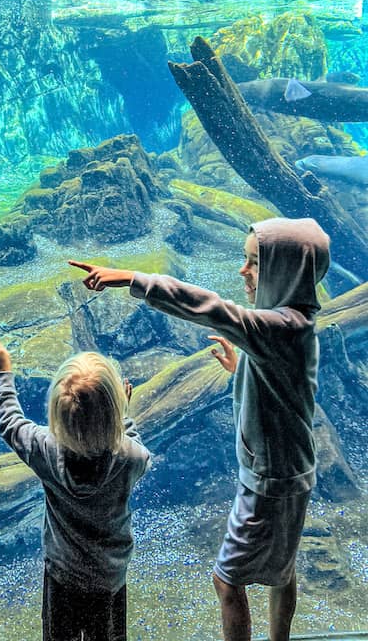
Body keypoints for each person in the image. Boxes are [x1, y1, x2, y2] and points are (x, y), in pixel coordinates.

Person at [70, 216, 330, 641]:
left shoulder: (276, 328)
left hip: (268, 481)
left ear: (287, 270)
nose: (242, 272)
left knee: (227, 581)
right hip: (294, 471)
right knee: (282, 570)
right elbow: (288, 391)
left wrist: (133, 278)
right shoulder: (297, 324)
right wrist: (243, 367)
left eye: (254, 263)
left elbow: (208, 306)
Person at [0, 335, 150, 641]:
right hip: (108, 578)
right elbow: (137, 447)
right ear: (115, 408)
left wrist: (3, 374)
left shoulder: (45, 450)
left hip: (61, 575)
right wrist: (126, 418)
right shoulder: (131, 458)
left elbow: (9, 422)